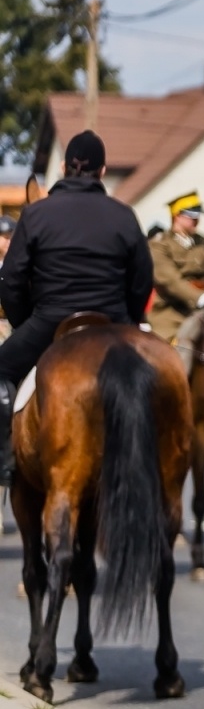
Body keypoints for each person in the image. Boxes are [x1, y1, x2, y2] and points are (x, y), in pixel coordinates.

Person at [0, 131, 153, 483]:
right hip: (112, 324)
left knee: (1, 371)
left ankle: (7, 459)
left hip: (50, 322)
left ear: (65, 168)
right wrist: (129, 320)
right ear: (101, 172)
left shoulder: (36, 215)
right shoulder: (124, 215)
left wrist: (26, 323)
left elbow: (10, 280)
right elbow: (142, 278)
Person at [148, 191, 204, 343]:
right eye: (191, 216)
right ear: (177, 216)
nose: (197, 220)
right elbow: (171, 281)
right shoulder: (160, 245)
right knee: (183, 350)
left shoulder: (201, 242)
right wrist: (201, 297)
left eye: (198, 216)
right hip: (173, 315)